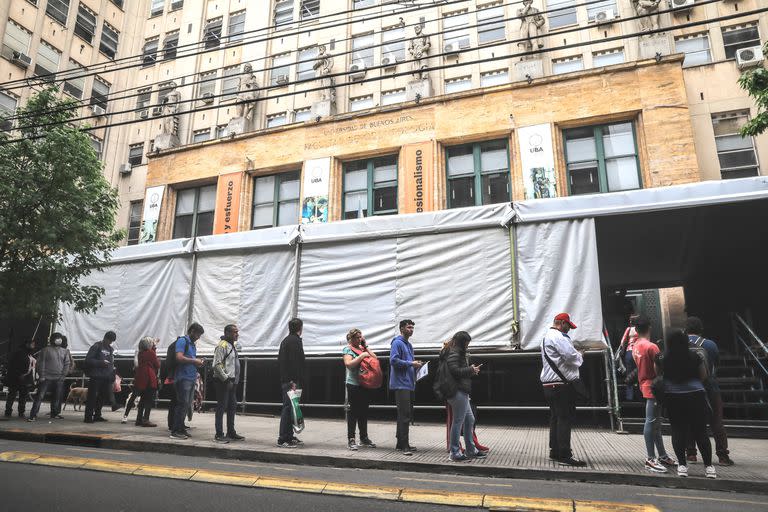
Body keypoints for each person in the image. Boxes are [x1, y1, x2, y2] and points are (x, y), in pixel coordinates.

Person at [659, 329, 716, 479]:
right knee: (701, 432)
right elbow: (704, 375)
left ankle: (682, 466)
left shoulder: (664, 358)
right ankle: (709, 467)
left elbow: (660, 376)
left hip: (673, 397)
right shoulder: (695, 356)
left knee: (678, 431)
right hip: (695, 396)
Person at [685, 316, 733, 466]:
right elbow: (715, 363)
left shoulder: (680, 344)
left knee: (690, 421)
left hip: (688, 388)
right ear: (701, 329)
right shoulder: (710, 345)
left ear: (685, 329)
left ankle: (691, 454)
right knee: (716, 422)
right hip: (710, 386)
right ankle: (723, 456)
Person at [540, 313, 586, 467]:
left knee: (555, 418)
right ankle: (565, 455)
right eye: (568, 326)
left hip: (549, 385)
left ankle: (555, 451)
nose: (569, 329)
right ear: (560, 323)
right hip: (560, 386)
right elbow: (570, 357)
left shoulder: (547, 337)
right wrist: (580, 355)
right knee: (564, 419)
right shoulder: (559, 337)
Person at [631, 316, 675, 472]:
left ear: (636, 330)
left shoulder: (636, 346)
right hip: (654, 386)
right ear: (649, 327)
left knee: (655, 423)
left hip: (644, 384)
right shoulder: (652, 347)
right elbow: (658, 370)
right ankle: (650, 458)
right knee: (651, 422)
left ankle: (662, 455)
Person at [443, 331, 485, 462]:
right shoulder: (454, 353)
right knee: (458, 421)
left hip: (461, 391)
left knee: (469, 420)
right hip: (457, 391)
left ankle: (471, 449)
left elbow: (458, 372)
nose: (467, 346)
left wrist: (471, 370)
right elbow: (455, 371)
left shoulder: (455, 352)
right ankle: (454, 452)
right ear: (462, 342)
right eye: (466, 343)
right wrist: (470, 370)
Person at [390, 319, 423, 456]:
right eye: (409, 327)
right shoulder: (397, 343)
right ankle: (405, 446)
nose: (411, 330)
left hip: (408, 383)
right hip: (401, 383)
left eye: (413, 328)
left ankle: (400, 443)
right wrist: (411, 363)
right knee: (405, 415)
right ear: (402, 329)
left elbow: (408, 363)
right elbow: (393, 360)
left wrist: (416, 365)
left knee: (404, 414)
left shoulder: (409, 345)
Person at [343, 328, 377, 451]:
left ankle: (364, 438)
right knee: (353, 413)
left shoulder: (362, 348)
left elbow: (375, 358)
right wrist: (361, 356)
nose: (359, 339)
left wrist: (365, 346)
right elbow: (348, 364)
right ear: (351, 338)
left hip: (364, 384)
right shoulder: (348, 349)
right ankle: (351, 439)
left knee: (363, 412)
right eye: (357, 338)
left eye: (360, 337)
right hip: (353, 384)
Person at [170, 323, 205, 440]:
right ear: (192, 331)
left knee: (186, 405)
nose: (198, 337)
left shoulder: (192, 345)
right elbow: (179, 357)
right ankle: (175, 431)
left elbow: (189, 360)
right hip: (182, 378)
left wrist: (197, 362)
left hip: (190, 378)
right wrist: (195, 361)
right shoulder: (182, 341)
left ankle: (181, 428)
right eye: (198, 334)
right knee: (181, 404)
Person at [29, 333, 73, 421]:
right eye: (57, 338)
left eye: (60, 338)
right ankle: (33, 415)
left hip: (59, 378)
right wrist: (42, 375)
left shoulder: (64, 351)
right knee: (40, 396)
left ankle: (55, 413)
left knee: (57, 396)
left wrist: (63, 375)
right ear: (52, 340)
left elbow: (67, 364)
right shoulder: (45, 350)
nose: (59, 340)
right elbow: (41, 363)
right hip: (46, 378)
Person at [213, 324, 245, 443]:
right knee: (221, 407)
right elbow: (217, 365)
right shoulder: (222, 346)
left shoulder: (231, 345)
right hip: (223, 382)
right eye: (234, 332)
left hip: (231, 382)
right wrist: (226, 379)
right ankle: (219, 434)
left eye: (237, 332)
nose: (237, 334)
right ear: (227, 333)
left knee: (232, 407)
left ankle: (231, 432)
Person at [277, 318, 305, 448]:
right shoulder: (294, 342)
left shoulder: (287, 341)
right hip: (291, 381)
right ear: (300, 328)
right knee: (289, 409)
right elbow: (294, 363)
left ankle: (288, 435)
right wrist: (293, 381)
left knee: (291, 408)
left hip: (287, 380)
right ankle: (283, 438)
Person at [84, 331, 117, 423]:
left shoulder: (110, 349)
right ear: (105, 338)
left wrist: (112, 373)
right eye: (109, 340)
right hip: (96, 375)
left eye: (112, 341)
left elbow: (111, 362)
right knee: (92, 396)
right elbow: (88, 360)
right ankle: (88, 416)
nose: (110, 342)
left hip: (106, 376)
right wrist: (100, 363)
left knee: (102, 397)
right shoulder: (96, 346)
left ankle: (97, 415)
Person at [4, 339, 37, 418]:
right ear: (27, 344)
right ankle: (9, 411)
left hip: (24, 378)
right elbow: (13, 365)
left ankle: (21, 412)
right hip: (16, 378)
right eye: (32, 344)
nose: (34, 346)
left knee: (22, 396)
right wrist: (20, 374)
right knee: (12, 395)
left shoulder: (29, 354)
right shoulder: (19, 353)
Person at [133, 336, 160, 427]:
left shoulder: (140, 353)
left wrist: (154, 347)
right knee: (149, 400)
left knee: (143, 400)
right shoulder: (150, 353)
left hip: (141, 378)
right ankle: (146, 419)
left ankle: (139, 419)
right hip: (149, 378)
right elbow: (157, 364)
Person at [619, 314, 640, 400]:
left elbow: (623, 341)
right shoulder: (641, 329)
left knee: (629, 374)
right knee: (640, 373)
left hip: (630, 351)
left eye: (631, 320)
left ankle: (629, 396)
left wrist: (622, 351)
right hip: (639, 351)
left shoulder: (629, 329)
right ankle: (640, 395)